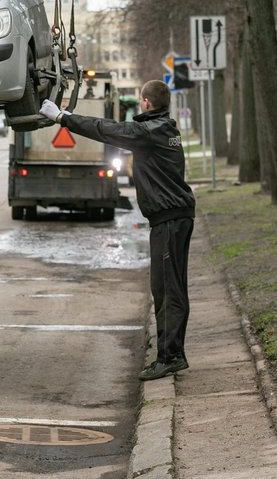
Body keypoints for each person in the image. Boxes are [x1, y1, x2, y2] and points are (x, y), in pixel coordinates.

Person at [40, 80, 195, 381]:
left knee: (167, 288)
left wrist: (62, 117)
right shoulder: (165, 128)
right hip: (173, 217)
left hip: (169, 219)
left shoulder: (148, 132)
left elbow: (105, 128)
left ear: (146, 103)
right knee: (168, 286)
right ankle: (170, 353)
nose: (139, 104)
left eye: (140, 100)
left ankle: (170, 357)